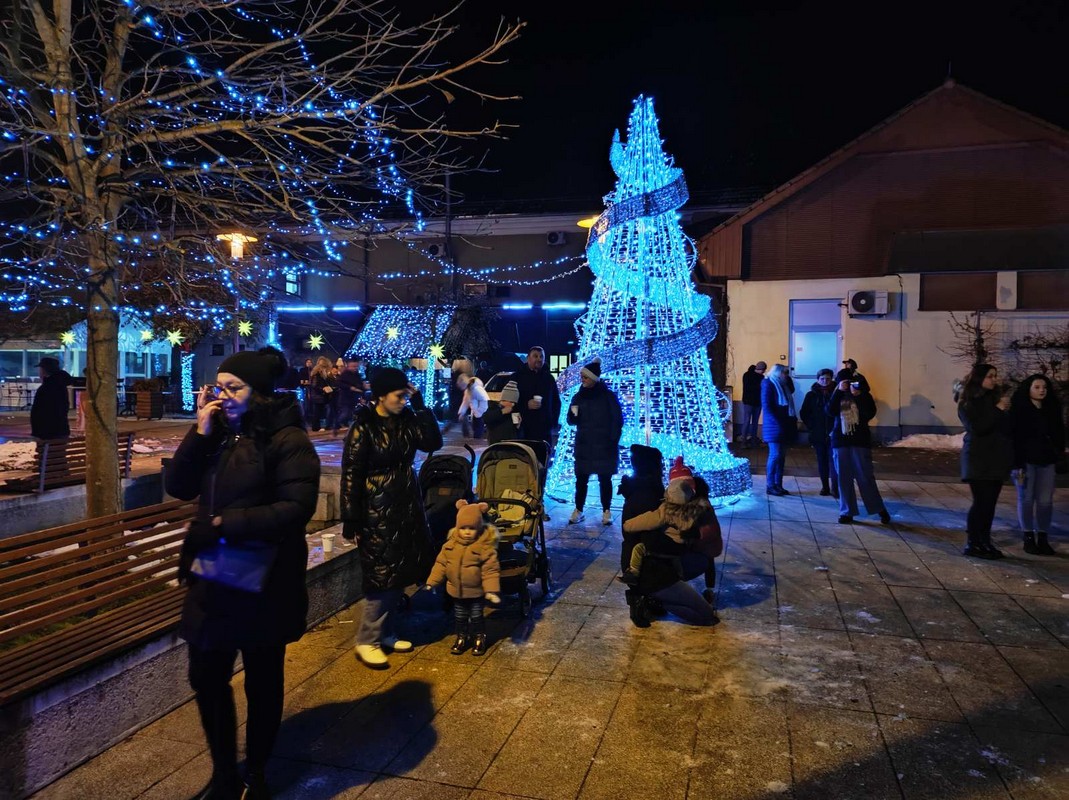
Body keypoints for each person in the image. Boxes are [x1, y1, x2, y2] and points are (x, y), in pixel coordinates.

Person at [165, 347, 320, 800]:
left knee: (262, 675)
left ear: (259, 393)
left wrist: (222, 524)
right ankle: (223, 773)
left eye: (235, 388)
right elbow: (178, 487)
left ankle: (256, 770)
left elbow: (297, 508)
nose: (224, 395)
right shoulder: (219, 434)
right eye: (220, 387)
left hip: (266, 576)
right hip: (214, 574)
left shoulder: (287, 439)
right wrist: (199, 433)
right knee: (206, 672)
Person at [341, 367, 443, 669]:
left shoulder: (407, 419)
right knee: (382, 576)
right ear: (381, 396)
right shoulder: (364, 426)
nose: (402, 400)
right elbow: (351, 474)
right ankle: (367, 639)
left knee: (400, 571)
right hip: (375, 507)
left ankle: (387, 632)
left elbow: (431, 442)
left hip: (405, 503)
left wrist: (421, 406)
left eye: (404, 395)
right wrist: (352, 518)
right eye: (398, 396)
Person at [621, 458, 720, 627]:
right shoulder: (700, 508)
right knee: (707, 616)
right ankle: (656, 600)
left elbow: (633, 525)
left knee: (707, 614)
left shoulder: (663, 510)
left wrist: (628, 525)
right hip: (659, 573)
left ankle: (658, 597)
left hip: (665, 563)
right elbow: (713, 545)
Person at [424, 500, 501, 656]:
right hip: (456, 590)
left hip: (476, 592)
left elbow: (490, 570)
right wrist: (432, 582)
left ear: (478, 528)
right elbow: (441, 564)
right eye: (463, 528)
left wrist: (491, 589)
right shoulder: (450, 546)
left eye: (471, 528)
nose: (467, 532)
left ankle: (479, 637)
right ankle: (462, 636)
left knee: (476, 616)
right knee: (460, 616)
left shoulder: (484, 547)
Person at [955, 363, 1013, 559]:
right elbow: (978, 427)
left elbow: (1004, 428)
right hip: (978, 459)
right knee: (981, 502)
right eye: (990, 376)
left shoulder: (993, 401)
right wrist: (997, 411)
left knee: (990, 504)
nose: (994, 379)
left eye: (995, 375)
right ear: (979, 378)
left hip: (996, 458)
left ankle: (985, 541)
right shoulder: (967, 403)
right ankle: (973, 542)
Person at [1009, 374, 1065, 555]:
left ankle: (1042, 535)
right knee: (1026, 499)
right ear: (1029, 389)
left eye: (1044, 388)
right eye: (1037, 387)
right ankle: (1027, 536)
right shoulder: (1019, 409)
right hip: (1025, 461)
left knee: (1045, 501)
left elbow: (1059, 433)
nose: (1042, 391)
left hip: (1047, 460)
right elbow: (1014, 438)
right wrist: (1016, 463)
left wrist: (1058, 451)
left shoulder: (1052, 408)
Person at [565, 360, 623, 526]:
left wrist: (612, 440)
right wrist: (573, 414)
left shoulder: (608, 397)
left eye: (585, 376)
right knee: (581, 480)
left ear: (594, 378)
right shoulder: (578, 396)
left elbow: (617, 420)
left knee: (605, 479)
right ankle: (579, 509)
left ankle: (606, 510)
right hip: (584, 446)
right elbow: (571, 421)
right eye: (581, 376)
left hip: (604, 446)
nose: (582, 379)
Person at [828, 372, 891, 525]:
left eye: (851, 382)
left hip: (860, 441)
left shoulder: (864, 396)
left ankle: (878, 508)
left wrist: (859, 395)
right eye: (845, 382)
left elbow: (869, 413)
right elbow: (830, 411)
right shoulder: (837, 394)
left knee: (865, 477)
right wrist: (838, 391)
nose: (849, 385)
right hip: (840, 440)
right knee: (844, 478)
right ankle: (847, 512)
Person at [511, 345, 560, 446]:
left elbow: (556, 401)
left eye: (541, 356)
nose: (539, 359)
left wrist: (553, 422)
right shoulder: (518, 377)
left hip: (545, 430)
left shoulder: (549, 378)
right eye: (535, 356)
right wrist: (526, 405)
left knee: (544, 458)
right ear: (528, 358)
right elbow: (510, 403)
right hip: (525, 429)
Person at [800, 368, 838, 497]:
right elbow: (804, 413)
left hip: (834, 433)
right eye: (822, 379)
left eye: (828, 379)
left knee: (834, 461)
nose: (825, 381)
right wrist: (812, 426)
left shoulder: (836, 393)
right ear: (818, 380)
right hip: (818, 433)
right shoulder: (811, 395)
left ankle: (836, 488)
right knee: (822, 461)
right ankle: (825, 487)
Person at [761, 363, 797, 496]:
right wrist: (777, 423)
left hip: (785, 423)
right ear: (777, 372)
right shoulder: (768, 383)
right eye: (784, 373)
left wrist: (788, 380)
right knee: (775, 455)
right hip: (774, 426)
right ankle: (770, 485)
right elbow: (767, 406)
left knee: (781, 457)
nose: (786, 375)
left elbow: (792, 391)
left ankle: (778, 484)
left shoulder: (784, 384)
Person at [30, 357, 72, 440]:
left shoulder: (47, 388)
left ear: (44, 370)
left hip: (47, 433)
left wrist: (37, 431)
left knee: (48, 452)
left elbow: (41, 411)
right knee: (58, 451)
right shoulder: (60, 385)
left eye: (40, 369)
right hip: (61, 429)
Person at [482, 380, 522, 444]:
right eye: (511, 402)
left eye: (514, 403)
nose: (513, 405)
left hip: (510, 446)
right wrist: (502, 411)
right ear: (505, 399)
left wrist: (518, 426)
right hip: (496, 446)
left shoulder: (514, 411)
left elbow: (517, 435)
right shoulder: (494, 407)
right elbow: (485, 418)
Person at [306, 356, 337, 433]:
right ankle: (316, 427)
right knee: (317, 411)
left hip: (318, 395)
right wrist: (323, 389)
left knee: (318, 411)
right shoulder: (317, 374)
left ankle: (317, 426)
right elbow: (315, 385)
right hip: (318, 396)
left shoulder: (318, 373)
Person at [740, 361, 766, 447]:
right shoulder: (761, 377)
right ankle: (753, 441)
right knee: (754, 422)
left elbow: (747, 388)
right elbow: (760, 389)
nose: (764, 372)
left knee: (746, 421)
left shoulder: (746, 375)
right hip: (757, 401)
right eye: (763, 370)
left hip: (748, 401)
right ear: (761, 369)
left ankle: (744, 441)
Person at [456, 372, 489, 439]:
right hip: (476, 414)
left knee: (478, 434)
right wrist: (461, 413)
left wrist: (479, 412)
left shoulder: (476, 389)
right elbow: (466, 402)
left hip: (480, 415)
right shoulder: (469, 390)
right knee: (476, 433)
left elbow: (484, 400)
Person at [336, 359, 364, 428]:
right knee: (345, 412)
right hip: (345, 397)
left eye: (356, 366)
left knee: (350, 412)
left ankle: (345, 423)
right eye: (353, 366)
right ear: (349, 366)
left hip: (354, 397)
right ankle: (337, 423)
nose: (355, 368)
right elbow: (340, 383)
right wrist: (350, 387)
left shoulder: (357, 374)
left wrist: (361, 388)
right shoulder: (345, 374)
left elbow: (359, 384)